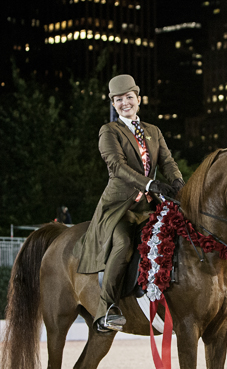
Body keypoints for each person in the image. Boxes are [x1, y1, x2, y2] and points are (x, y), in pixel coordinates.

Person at [76, 74, 184, 332]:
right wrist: (149, 184)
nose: (125, 103)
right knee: (124, 244)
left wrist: (179, 183)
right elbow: (117, 166)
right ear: (114, 105)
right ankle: (106, 310)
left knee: (177, 235)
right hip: (120, 207)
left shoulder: (154, 131)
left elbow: (167, 162)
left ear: (138, 99)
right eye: (119, 100)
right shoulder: (109, 131)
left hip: (149, 207)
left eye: (129, 98)